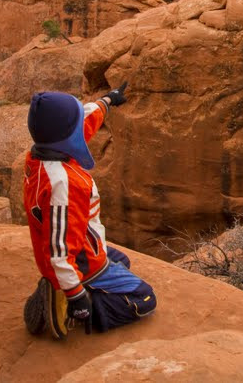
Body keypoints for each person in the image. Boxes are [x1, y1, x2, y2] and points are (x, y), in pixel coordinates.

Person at [21, 82, 156, 339]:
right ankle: (74, 306)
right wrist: (76, 296)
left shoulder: (43, 153)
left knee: (122, 260)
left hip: (82, 246)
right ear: (66, 135)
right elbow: (60, 250)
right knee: (145, 299)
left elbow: (83, 120)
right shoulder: (64, 185)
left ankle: (60, 285)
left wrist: (107, 100)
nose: (80, 125)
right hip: (82, 259)